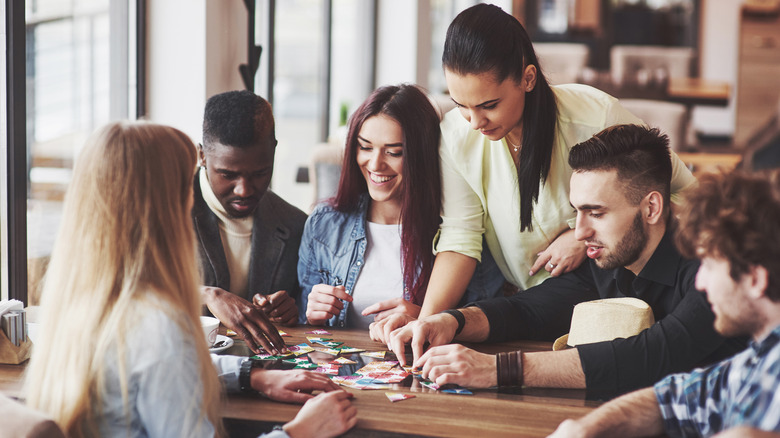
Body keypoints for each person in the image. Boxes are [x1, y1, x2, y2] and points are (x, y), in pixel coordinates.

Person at [370, 4, 698, 341]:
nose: (475, 122)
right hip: (529, 309)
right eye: (461, 105)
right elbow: (460, 239)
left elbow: (685, 194)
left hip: (614, 305)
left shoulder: (596, 117)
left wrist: (579, 236)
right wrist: (427, 324)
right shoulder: (455, 136)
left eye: (489, 105)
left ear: (528, 78)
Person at [23, 121, 356, 438]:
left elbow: (155, 369)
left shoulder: (75, 299)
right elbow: (162, 355)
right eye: (187, 185)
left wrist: (251, 376)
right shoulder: (159, 327)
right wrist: (300, 432)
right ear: (164, 206)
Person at [387, 124, 745, 398]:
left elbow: (656, 356)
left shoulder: (713, 270)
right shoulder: (609, 261)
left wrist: (497, 370)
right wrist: (451, 321)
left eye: (596, 213)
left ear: (651, 207)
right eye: (577, 212)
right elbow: (529, 310)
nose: (579, 232)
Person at [549, 169, 780, 438]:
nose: (701, 282)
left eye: (709, 264)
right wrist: (583, 429)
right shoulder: (758, 360)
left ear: (754, 279)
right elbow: (671, 399)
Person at [299, 84, 452, 329]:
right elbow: (304, 330)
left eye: (394, 152)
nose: (375, 164)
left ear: (422, 155)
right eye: (365, 147)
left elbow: (482, 323)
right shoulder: (323, 223)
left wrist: (425, 317)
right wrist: (312, 316)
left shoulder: (457, 232)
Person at [195, 90, 305, 354]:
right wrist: (208, 295)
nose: (244, 190)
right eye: (227, 174)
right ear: (201, 156)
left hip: (265, 379)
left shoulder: (295, 224)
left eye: (259, 173)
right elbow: (130, 293)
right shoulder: (163, 211)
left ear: (274, 152)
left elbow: (304, 315)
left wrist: (291, 310)